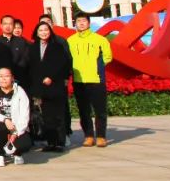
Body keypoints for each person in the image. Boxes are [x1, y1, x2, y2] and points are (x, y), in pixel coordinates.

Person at [68, 12, 113, 147]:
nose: (81, 23)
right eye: (78, 21)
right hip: (79, 81)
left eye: (84, 21)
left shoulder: (100, 39)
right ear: (75, 23)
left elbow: (108, 56)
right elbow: (67, 58)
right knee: (84, 111)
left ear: (89, 23)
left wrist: (97, 67)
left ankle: (101, 136)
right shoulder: (70, 41)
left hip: (96, 79)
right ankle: (88, 136)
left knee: (100, 110)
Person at [29, 21, 72, 152]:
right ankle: (50, 142)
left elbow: (63, 64)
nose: (43, 32)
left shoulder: (57, 46)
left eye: (46, 30)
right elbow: (31, 67)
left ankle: (59, 142)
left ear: (50, 31)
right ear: (37, 33)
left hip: (55, 85)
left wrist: (51, 77)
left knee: (58, 115)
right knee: (46, 116)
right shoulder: (33, 47)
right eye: (41, 30)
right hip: (41, 87)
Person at [0, 67, 32, 166]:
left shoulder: (20, 91)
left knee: (25, 143)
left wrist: (16, 133)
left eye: (7, 76)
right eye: (0, 76)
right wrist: (5, 119)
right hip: (0, 124)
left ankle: (17, 153)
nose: (3, 79)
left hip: (16, 126)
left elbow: (25, 115)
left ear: (12, 78)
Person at [0, 15, 31, 88]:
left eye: (10, 24)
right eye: (5, 24)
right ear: (1, 26)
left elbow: (24, 60)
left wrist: (12, 74)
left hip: (18, 78)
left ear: (13, 26)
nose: (8, 26)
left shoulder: (21, 41)